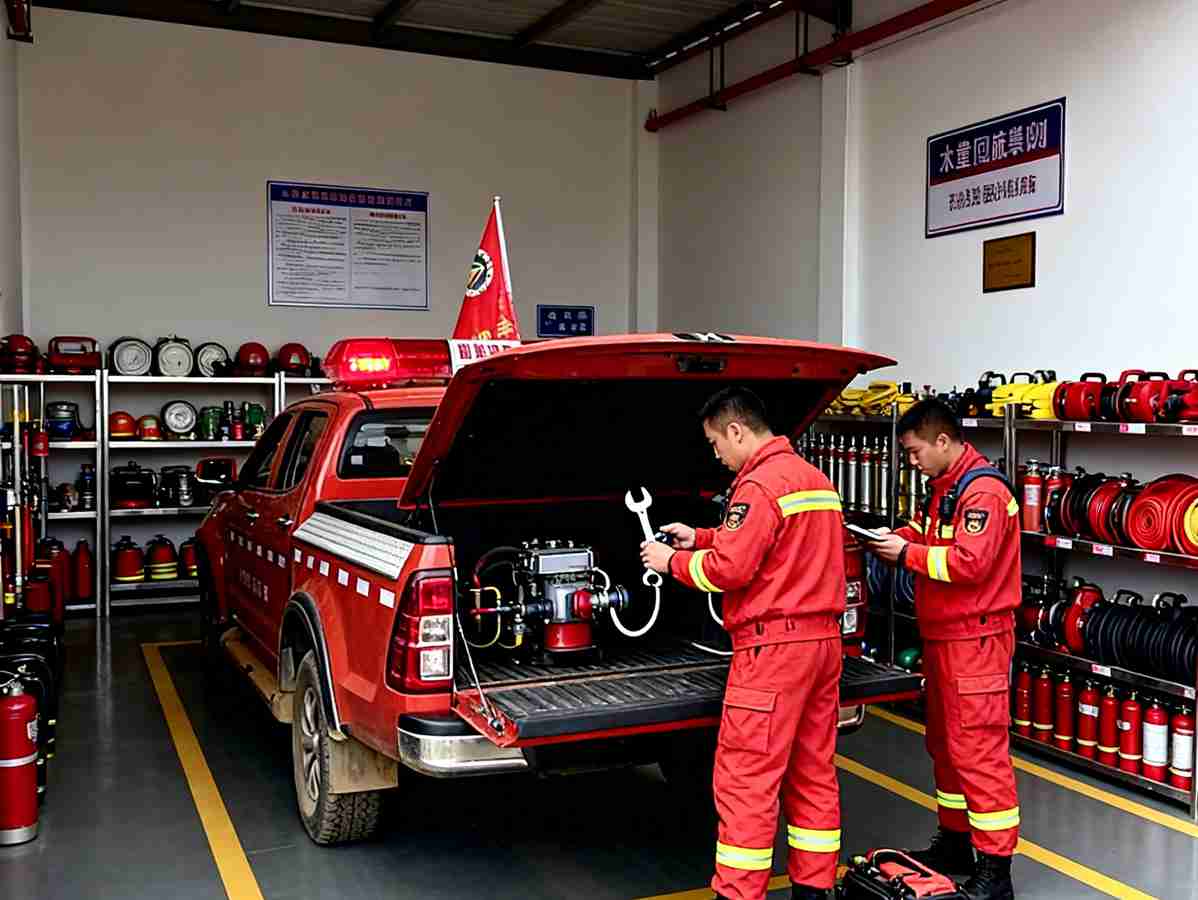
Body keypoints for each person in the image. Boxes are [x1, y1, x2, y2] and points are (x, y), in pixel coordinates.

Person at [641, 386, 846, 900]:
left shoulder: (758, 485)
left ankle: (737, 893)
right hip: (823, 646)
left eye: (715, 443)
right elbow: (776, 546)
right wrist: (701, 537)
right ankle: (814, 890)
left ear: (736, 430)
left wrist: (672, 562)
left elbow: (730, 571)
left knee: (747, 780)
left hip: (772, 652)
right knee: (813, 772)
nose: (717, 455)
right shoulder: (815, 480)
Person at [870, 398, 1020, 900]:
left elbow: (970, 564)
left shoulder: (983, 493)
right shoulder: (945, 489)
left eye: (915, 452)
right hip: (945, 639)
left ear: (942, 441)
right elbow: (925, 533)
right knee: (947, 746)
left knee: (979, 751)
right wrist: (891, 538)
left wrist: (906, 555)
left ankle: (995, 869)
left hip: (975, 641)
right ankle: (956, 843)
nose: (912, 461)